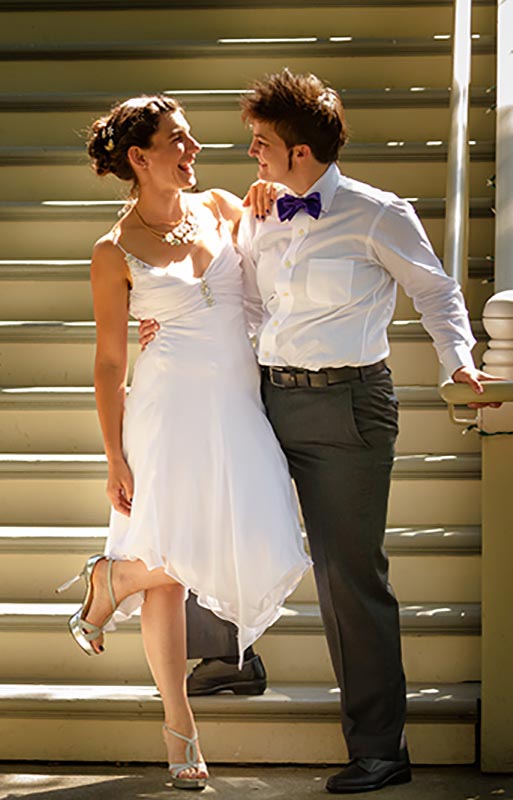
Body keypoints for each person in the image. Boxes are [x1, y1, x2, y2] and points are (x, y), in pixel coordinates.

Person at [142, 69, 501, 794]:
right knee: (215, 514)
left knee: (346, 577)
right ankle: (228, 659)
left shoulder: (378, 214)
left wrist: (458, 362)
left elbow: (434, 292)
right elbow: (238, 300)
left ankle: (378, 749)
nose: (249, 155)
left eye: (260, 143)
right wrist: (172, 324)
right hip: (266, 395)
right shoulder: (258, 213)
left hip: (348, 407)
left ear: (299, 152)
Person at [57, 94, 312, 791]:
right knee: (170, 573)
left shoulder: (226, 207)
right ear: (139, 159)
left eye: (191, 138)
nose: (193, 151)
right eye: (177, 140)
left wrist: (274, 195)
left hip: (235, 407)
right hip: (165, 413)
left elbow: (278, 265)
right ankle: (179, 732)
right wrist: (112, 453)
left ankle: (114, 578)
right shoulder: (111, 253)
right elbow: (109, 361)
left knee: (238, 542)